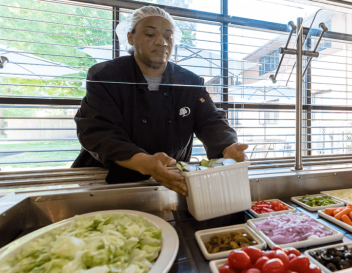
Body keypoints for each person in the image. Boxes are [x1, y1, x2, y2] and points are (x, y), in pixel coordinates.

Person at [72, 6, 248, 196]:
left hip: (170, 181)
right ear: (130, 38)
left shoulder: (190, 81)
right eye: (150, 34)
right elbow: (98, 130)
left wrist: (227, 147)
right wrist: (143, 161)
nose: (161, 42)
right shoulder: (105, 75)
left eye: (168, 36)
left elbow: (211, 120)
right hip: (109, 183)